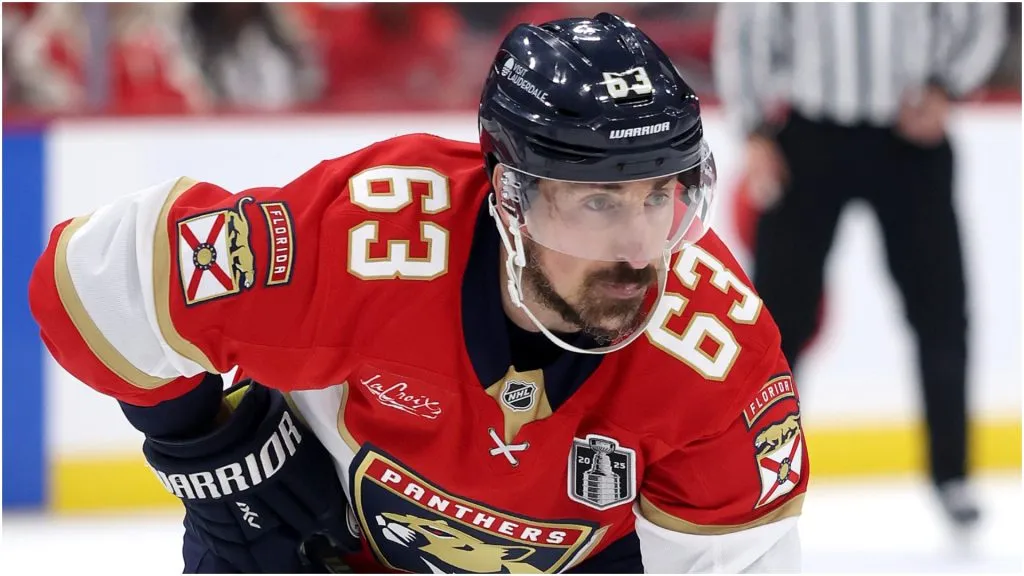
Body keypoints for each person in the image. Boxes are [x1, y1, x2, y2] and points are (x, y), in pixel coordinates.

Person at [30, 13, 807, 573]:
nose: (642, 249)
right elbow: (96, 278)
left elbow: (738, 563)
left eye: (660, 196)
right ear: (512, 195)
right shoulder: (368, 236)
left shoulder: (717, 354)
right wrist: (216, 458)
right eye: (598, 202)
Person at [714, 3, 1007, 530]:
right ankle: (753, 472)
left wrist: (948, 86)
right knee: (775, 323)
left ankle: (952, 474)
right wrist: (754, 130)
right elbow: (748, 25)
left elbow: (979, 12)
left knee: (941, 310)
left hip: (909, 136)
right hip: (808, 136)